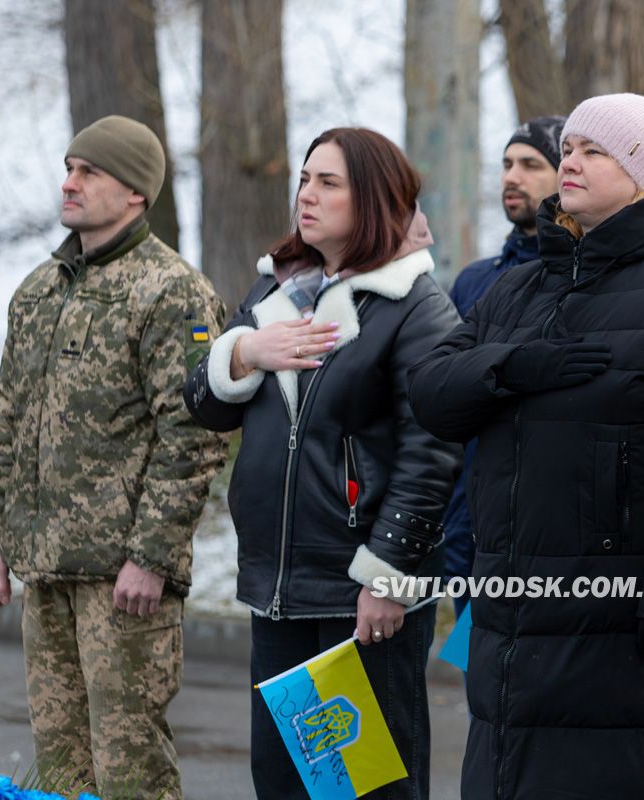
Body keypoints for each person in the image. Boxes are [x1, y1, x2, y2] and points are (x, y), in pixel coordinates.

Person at [408, 92, 644, 799]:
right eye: (569, 148)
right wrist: (511, 368)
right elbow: (432, 392)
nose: (572, 161)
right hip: (511, 612)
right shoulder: (519, 289)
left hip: (621, 623)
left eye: (596, 151)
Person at [184, 127, 462, 800]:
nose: (306, 195)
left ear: (372, 199)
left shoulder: (416, 309)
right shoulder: (275, 292)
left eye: (328, 183)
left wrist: (388, 577)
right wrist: (247, 351)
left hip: (359, 592)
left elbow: (433, 454)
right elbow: (203, 402)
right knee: (281, 781)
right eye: (305, 179)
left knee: (363, 788)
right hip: (279, 583)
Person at [0, 115, 227, 799]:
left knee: (130, 770)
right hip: (45, 569)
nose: (70, 182)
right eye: (69, 167)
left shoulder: (173, 292)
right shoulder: (39, 292)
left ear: (137, 192)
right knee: (59, 771)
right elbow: (12, 424)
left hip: (124, 582)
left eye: (90, 172)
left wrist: (150, 553)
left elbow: (194, 435)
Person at [444, 114, 565, 612]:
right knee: (481, 683)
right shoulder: (475, 281)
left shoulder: (580, 279)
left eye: (531, 164)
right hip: (467, 536)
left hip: (547, 543)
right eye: (507, 163)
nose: (511, 176)